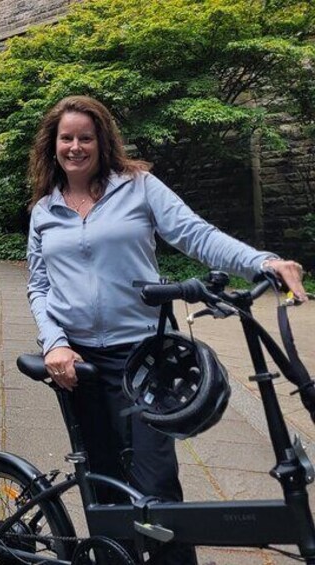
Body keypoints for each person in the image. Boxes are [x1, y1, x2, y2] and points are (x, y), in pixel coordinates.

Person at [26, 95, 306, 564]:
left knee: (156, 486)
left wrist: (261, 262)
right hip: (78, 364)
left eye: (85, 137)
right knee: (104, 484)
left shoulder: (138, 187)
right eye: (66, 138)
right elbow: (38, 286)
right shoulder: (44, 211)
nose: (76, 147)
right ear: (53, 145)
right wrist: (53, 341)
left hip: (144, 358)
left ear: (103, 141)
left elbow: (196, 234)